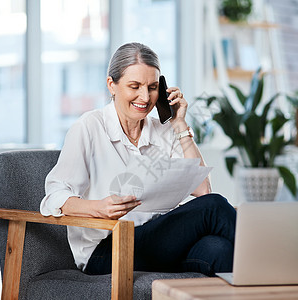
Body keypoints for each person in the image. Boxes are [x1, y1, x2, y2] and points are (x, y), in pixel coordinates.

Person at [40, 42, 236, 276]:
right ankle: (281, 267)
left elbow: (203, 189)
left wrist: (180, 124)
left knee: (219, 249)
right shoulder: (89, 127)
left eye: (153, 87)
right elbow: (55, 196)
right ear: (111, 85)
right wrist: (98, 208)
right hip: (107, 251)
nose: (145, 97)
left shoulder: (163, 131)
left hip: (158, 243)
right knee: (214, 207)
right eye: (135, 86)